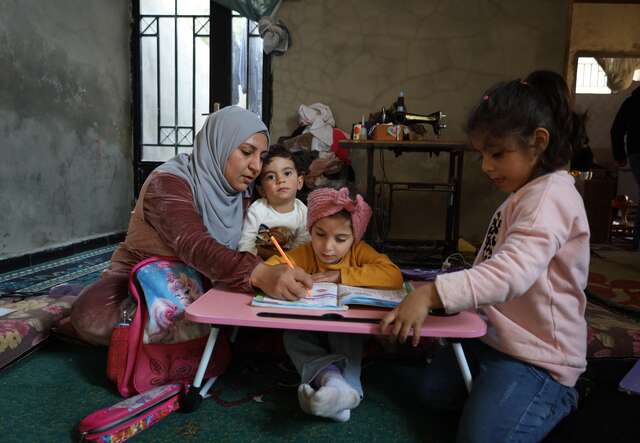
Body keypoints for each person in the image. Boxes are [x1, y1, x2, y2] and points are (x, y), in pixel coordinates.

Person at [381, 71, 590, 442]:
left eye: (497, 154)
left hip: (537, 359)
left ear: (538, 142)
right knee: (428, 391)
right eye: (482, 155)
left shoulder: (549, 197)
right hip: (492, 340)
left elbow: (510, 274)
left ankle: (556, 398)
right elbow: (492, 265)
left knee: (480, 436)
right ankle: (488, 393)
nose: (486, 166)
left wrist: (431, 295)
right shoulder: (526, 194)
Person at [70, 106, 313, 346]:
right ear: (219, 144)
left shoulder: (242, 194)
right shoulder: (167, 182)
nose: (256, 167)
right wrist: (258, 273)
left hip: (211, 281)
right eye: (246, 152)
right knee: (92, 314)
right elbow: (194, 244)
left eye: (261, 157)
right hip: (142, 283)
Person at [265, 187, 403, 422]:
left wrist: (340, 275)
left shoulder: (360, 251)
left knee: (346, 331)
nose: (328, 247)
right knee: (292, 337)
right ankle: (335, 384)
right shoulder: (303, 254)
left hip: (344, 328)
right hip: (308, 327)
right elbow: (270, 269)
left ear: (355, 238)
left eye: (340, 239)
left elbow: (393, 276)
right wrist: (283, 275)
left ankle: (345, 390)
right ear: (310, 230)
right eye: (320, 234)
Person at [238, 145, 311, 259]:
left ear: (299, 182)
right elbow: (246, 243)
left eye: (287, 173)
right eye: (271, 177)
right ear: (262, 190)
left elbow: (302, 246)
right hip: (259, 264)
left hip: (289, 263)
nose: (280, 180)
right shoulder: (257, 209)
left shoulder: (303, 212)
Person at [611, 84, 640, 250]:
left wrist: (620, 155)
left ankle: (637, 245)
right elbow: (617, 129)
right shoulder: (632, 102)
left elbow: (616, 129)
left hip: (635, 152)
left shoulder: (632, 101)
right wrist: (619, 155)